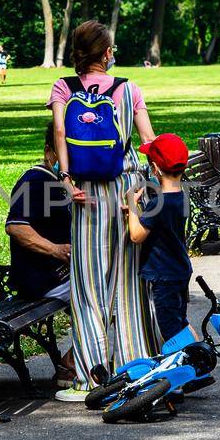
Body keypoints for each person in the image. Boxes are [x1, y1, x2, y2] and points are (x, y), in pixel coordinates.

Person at [49, 20, 156, 402]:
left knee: (88, 287)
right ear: (107, 53)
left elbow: (60, 133)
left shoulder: (64, 87)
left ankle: (93, 378)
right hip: (126, 192)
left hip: (85, 195)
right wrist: (151, 185)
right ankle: (135, 368)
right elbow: (148, 140)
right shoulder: (129, 89)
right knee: (127, 284)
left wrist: (65, 178)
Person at [5, 123, 75, 385]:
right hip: (42, 280)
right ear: (50, 153)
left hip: (60, 276)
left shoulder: (59, 183)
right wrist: (55, 250)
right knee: (101, 292)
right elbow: (16, 227)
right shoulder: (35, 181)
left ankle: (84, 356)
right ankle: (72, 362)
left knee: (109, 285)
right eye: (65, 154)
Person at [123, 134, 193, 343]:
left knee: (170, 329)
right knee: (179, 321)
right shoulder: (182, 197)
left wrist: (132, 205)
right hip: (180, 271)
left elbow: (136, 236)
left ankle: (188, 369)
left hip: (165, 277)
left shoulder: (158, 204)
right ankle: (197, 362)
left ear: (154, 169)